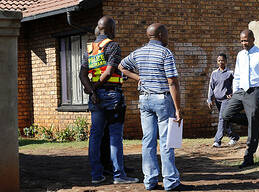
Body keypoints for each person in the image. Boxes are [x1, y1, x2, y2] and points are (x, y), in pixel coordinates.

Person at [119, 23, 192, 191]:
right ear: (159, 35)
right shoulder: (165, 53)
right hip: (163, 100)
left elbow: (121, 66)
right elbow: (172, 82)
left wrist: (137, 78)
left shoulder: (138, 52)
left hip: (144, 101)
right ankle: (170, 181)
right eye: (166, 34)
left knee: (148, 141)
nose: (168, 37)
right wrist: (178, 109)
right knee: (167, 142)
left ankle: (150, 181)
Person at [79, 16, 139, 184]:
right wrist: (96, 88)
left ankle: (96, 175)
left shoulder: (90, 49)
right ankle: (119, 175)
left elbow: (82, 75)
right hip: (112, 96)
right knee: (114, 137)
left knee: (95, 136)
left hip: (95, 97)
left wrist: (92, 90)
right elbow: (109, 72)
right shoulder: (113, 46)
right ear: (111, 29)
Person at [222, 29, 259, 169]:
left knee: (252, 119)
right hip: (241, 91)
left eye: (246, 40)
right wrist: (235, 93)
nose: (243, 43)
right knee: (226, 114)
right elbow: (238, 75)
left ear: (252, 39)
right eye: (241, 41)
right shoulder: (240, 55)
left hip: (256, 90)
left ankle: (248, 157)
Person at [207, 53, 239, 148]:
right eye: (219, 60)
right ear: (217, 62)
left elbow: (237, 83)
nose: (221, 62)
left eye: (222, 60)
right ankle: (234, 136)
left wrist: (233, 93)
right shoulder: (214, 73)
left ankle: (217, 141)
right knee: (226, 119)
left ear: (226, 61)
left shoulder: (230, 73)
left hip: (226, 100)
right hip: (217, 100)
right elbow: (211, 86)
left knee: (222, 118)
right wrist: (209, 99)